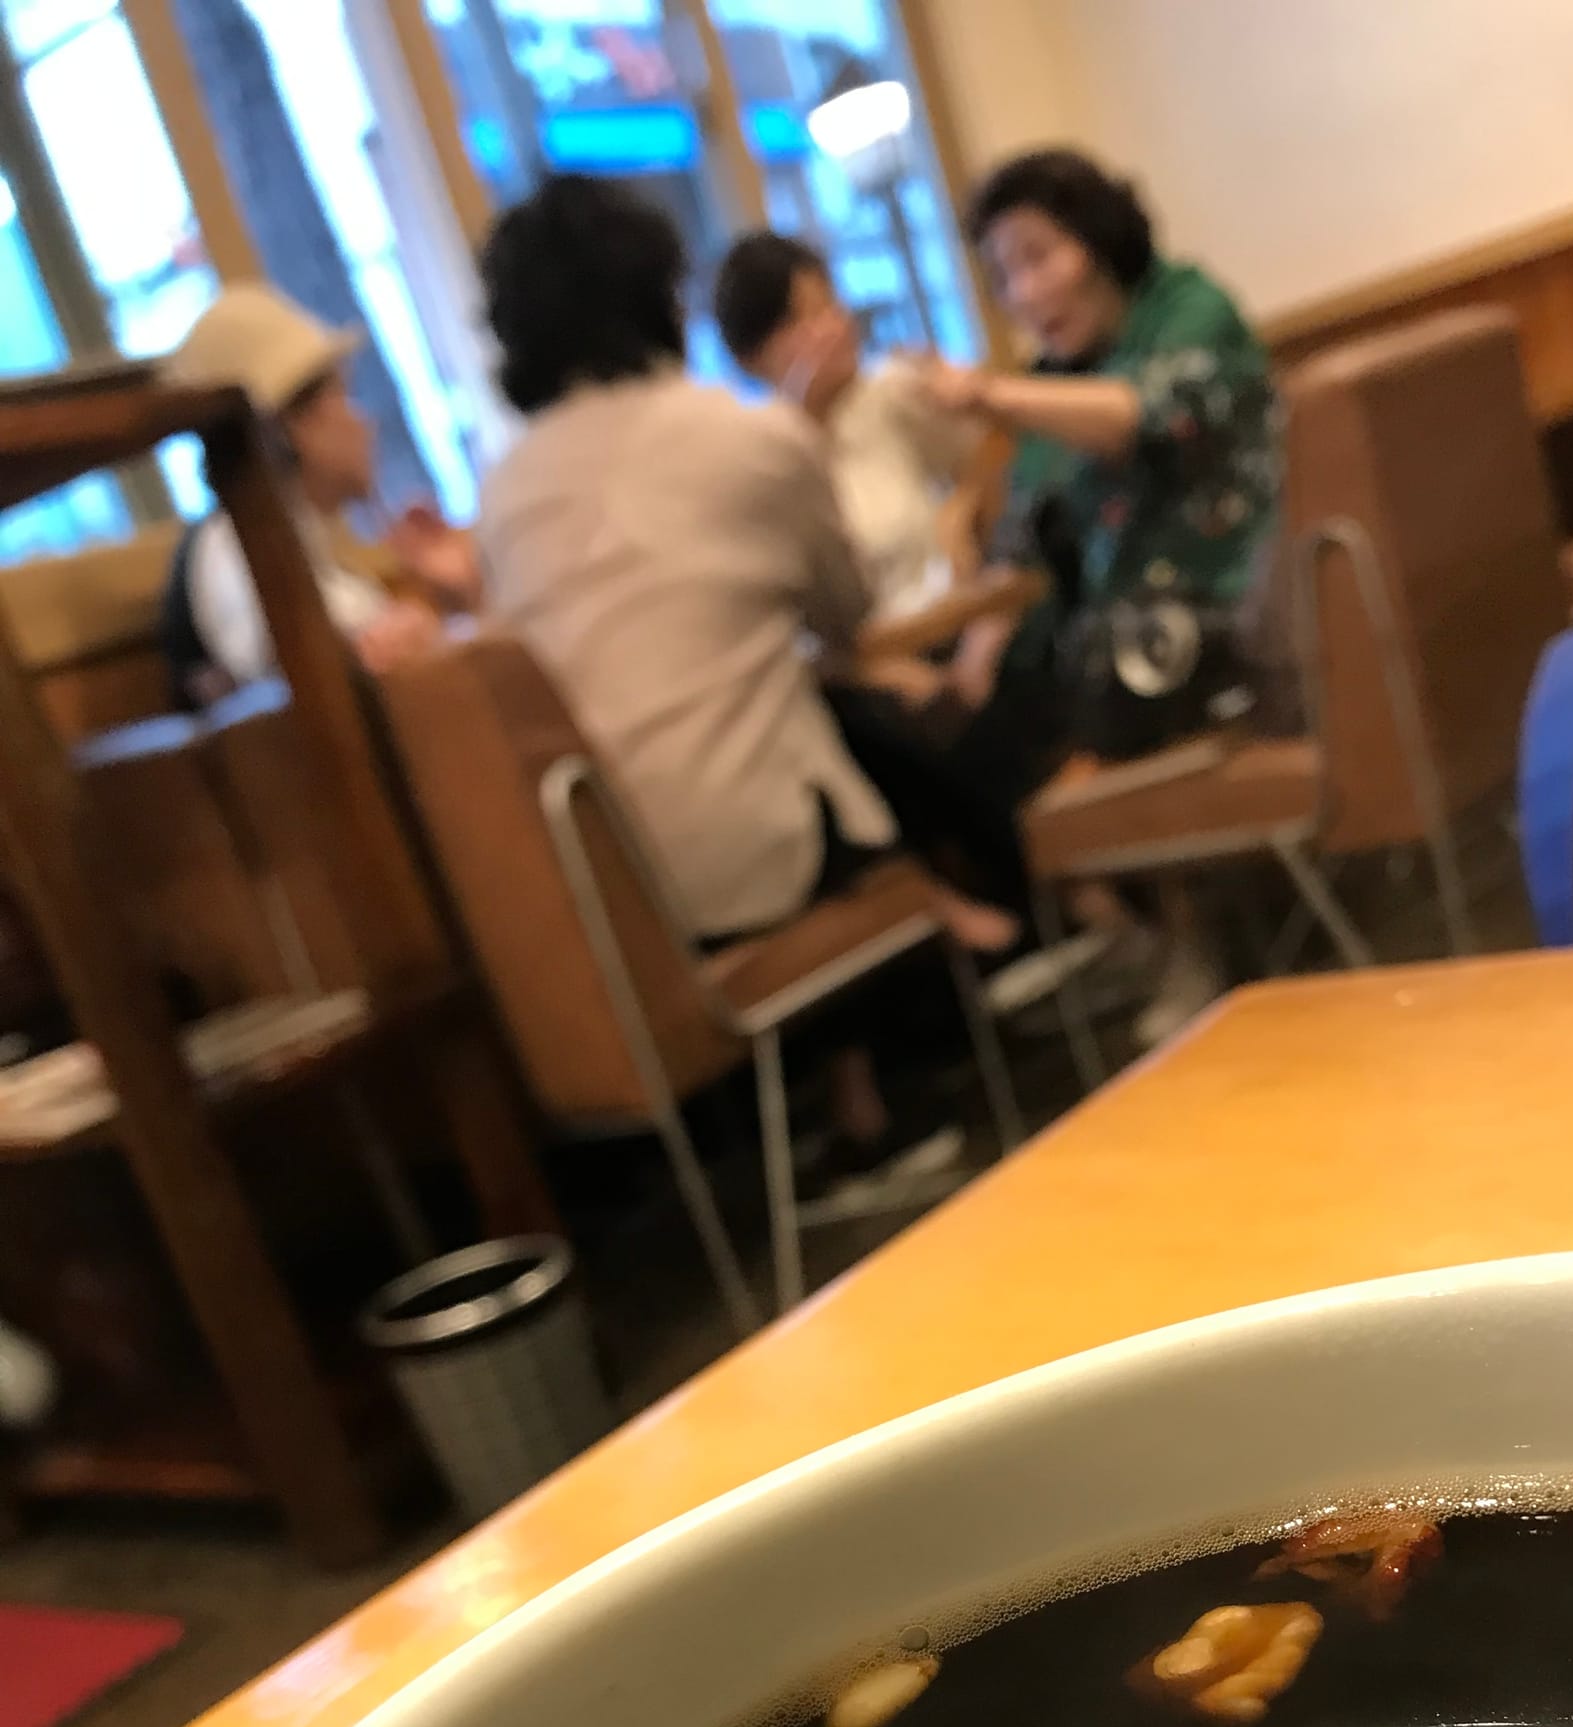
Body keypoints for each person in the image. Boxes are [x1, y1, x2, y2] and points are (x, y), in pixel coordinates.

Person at [478, 176, 1005, 1198]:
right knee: (849, 718)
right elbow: (847, 617)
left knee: (788, 715)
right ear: (663, 297)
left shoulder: (501, 494)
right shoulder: (748, 437)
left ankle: (915, 993)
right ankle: (978, 920)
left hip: (607, 889)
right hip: (752, 859)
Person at [918, 149, 1286, 1042]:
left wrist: (990, 395)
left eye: (1039, 257)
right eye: (1005, 277)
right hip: (1118, 637)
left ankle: (1189, 934)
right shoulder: (1046, 385)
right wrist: (975, 639)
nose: (1026, 292)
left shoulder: (1188, 309)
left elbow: (1142, 415)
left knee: (1108, 676)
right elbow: (1022, 549)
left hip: (1236, 605)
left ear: (1099, 239)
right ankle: (1121, 925)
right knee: (942, 718)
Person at [161, 286, 477, 702]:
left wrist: (449, 597)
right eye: (342, 397)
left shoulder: (295, 543)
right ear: (295, 425)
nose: (365, 423)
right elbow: (285, 654)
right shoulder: (232, 546)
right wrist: (388, 633)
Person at [713, 231, 988, 623]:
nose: (829, 328)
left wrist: (961, 509)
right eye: (798, 320)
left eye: (829, 305)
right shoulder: (754, 457)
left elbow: (991, 453)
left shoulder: (889, 391)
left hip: (949, 623)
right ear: (749, 358)